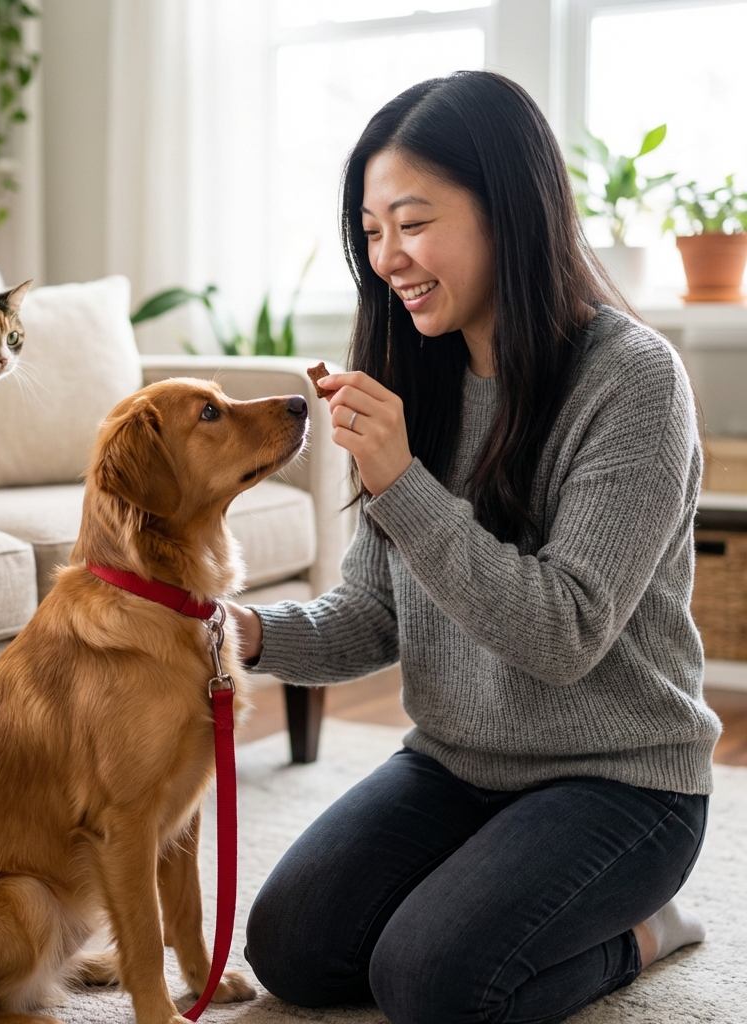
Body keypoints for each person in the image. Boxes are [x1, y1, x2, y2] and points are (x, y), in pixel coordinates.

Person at [224, 71, 720, 1024]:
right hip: (455, 764)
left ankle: (643, 931)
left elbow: (563, 634)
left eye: (412, 223)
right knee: (293, 949)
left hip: (621, 781)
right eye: (371, 232)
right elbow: (370, 617)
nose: (387, 259)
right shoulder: (415, 373)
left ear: (510, 210)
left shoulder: (633, 382)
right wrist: (241, 631)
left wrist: (402, 484)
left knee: (432, 984)